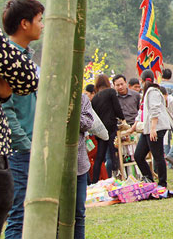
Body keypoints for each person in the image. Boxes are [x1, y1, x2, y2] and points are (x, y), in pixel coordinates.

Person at [0, 0, 43, 239]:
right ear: (24, 24)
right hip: (20, 149)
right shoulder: (9, 59)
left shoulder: (24, 56)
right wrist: (25, 147)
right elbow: (8, 109)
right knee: (19, 216)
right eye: (39, 20)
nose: (43, 25)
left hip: (29, 145)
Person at [133, 70, 170, 188]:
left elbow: (155, 110)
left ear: (142, 80)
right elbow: (142, 111)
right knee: (138, 155)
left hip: (155, 128)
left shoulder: (153, 91)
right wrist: (133, 127)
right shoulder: (146, 93)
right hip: (147, 128)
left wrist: (153, 128)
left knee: (157, 155)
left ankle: (162, 183)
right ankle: (149, 179)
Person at [90, 74, 124, 183]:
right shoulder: (111, 92)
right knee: (113, 154)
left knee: (100, 157)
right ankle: (115, 177)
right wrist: (122, 118)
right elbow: (117, 108)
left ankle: (95, 181)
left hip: (100, 130)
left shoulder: (94, 99)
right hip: (111, 127)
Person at [74, 93, 95, 239]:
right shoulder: (50, 94)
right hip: (54, 165)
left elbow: (88, 122)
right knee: (56, 213)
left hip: (79, 162)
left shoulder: (81, 98)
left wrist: (71, 114)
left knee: (79, 212)